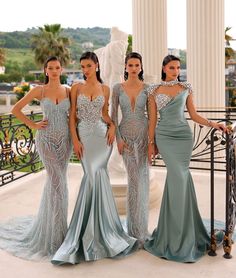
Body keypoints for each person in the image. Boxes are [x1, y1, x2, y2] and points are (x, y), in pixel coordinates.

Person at [51, 51, 136, 265]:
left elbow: (105, 115)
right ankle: (85, 232)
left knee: (98, 176)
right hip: (85, 139)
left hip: (102, 138)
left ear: (96, 66)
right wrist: (76, 141)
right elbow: (72, 117)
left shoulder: (105, 89)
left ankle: (101, 230)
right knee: (90, 176)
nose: (85, 70)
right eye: (82, 66)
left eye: (88, 66)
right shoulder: (77, 88)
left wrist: (113, 127)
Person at [144, 54, 228, 262]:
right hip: (165, 136)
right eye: (171, 68)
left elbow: (194, 114)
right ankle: (173, 232)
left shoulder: (186, 88)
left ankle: (185, 230)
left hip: (183, 135)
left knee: (181, 177)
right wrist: (151, 144)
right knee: (178, 177)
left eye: (178, 68)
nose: (175, 71)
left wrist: (213, 124)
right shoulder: (153, 90)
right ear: (164, 68)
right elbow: (152, 120)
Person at [0, 56, 72, 260]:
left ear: (62, 69)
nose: (55, 70)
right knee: (58, 182)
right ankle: (57, 236)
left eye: (58, 67)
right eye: (51, 68)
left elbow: (75, 114)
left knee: (57, 182)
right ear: (46, 70)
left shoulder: (68, 91)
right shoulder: (38, 90)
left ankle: (52, 227)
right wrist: (33, 125)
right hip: (46, 140)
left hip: (65, 141)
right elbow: (16, 109)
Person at [111, 52, 153, 247]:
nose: (134, 68)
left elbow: (153, 117)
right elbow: (112, 117)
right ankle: (132, 230)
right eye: (131, 65)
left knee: (143, 179)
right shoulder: (117, 88)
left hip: (143, 137)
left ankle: (142, 229)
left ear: (141, 67)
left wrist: (152, 142)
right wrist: (118, 140)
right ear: (126, 67)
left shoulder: (148, 89)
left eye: (137, 65)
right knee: (133, 179)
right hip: (125, 137)